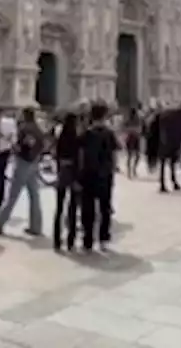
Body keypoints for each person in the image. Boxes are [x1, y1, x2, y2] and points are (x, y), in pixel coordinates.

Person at [0, 107, 46, 237]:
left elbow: (21, 145)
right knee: (34, 195)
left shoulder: (24, 129)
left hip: (23, 162)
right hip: (34, 162)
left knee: (13, 194)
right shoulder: (37, 129)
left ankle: (0, 222)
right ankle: (36, 226)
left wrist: (15, 148)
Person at [78, 101, 119, 252]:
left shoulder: (86, 134)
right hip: (105, 174)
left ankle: (87, 239)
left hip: (88, 174)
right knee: (105, 207)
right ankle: (103, 238)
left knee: (87, 208)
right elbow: (114, 154)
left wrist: (80, 173)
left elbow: (81, 155)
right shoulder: (109, 133)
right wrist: (113, 170)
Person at [52, 111, 84, 252]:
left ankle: (57, 239)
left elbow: (56, 156)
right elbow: (79, 160)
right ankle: (71, 239)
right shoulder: (77, 140)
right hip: (73, 173)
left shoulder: (61, 138)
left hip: (62, 173)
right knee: (72, 208)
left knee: (59, 208)